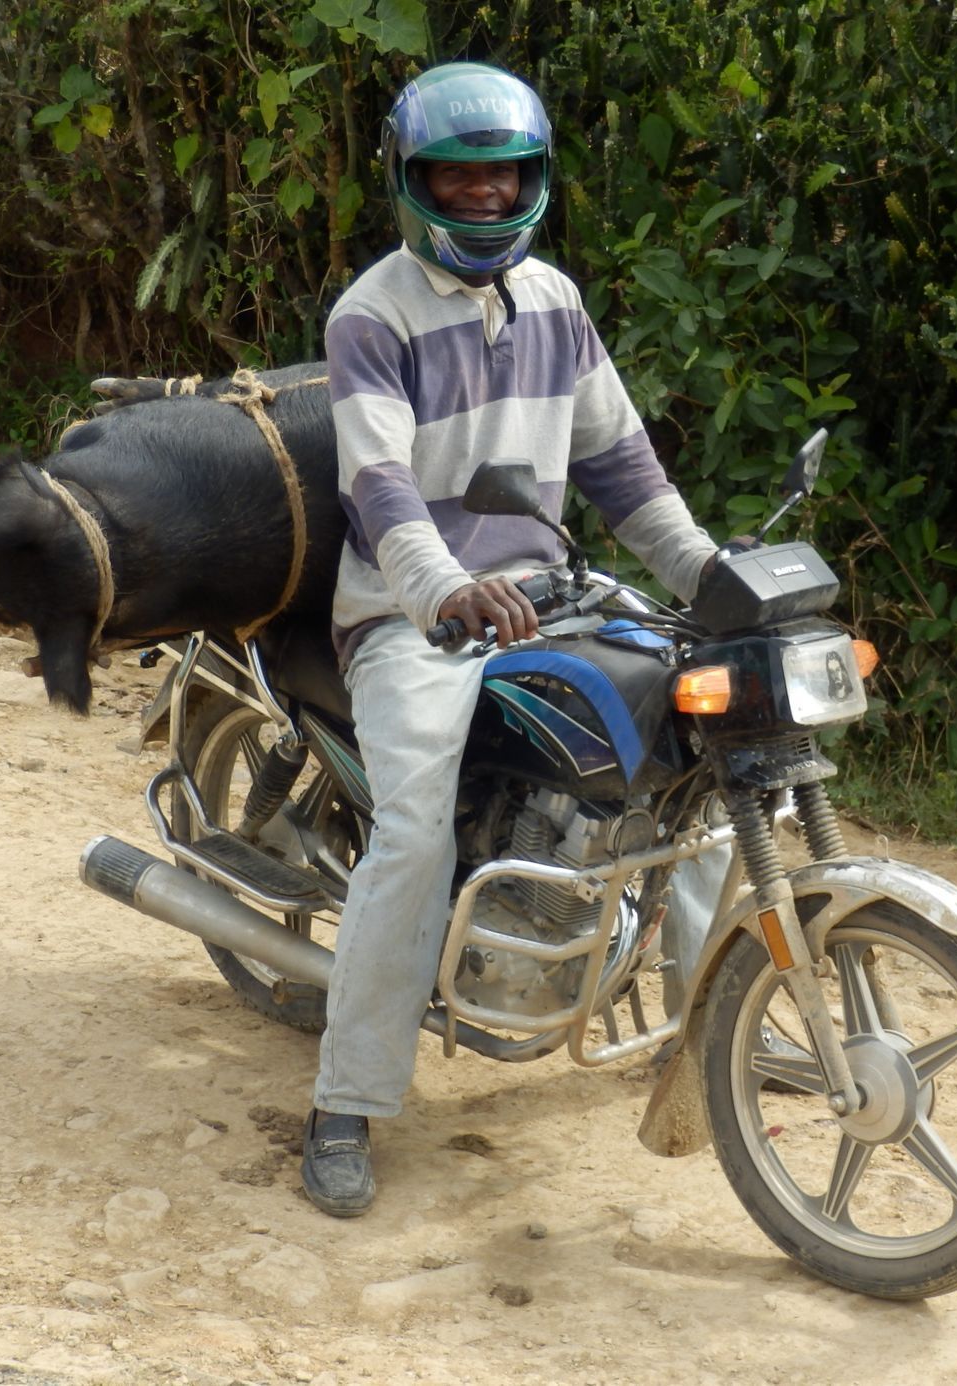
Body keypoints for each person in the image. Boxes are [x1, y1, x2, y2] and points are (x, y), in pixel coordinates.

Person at [306, 61, 730, 1216]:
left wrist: (713, 575)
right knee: (412, 832)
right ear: (410, 179)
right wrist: (442, 590)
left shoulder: (554, 302)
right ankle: (347, 1101)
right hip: (408, 613)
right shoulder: (372, 316)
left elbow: (624, 471)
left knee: (716, 750)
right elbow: (381, 486)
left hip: (548, 589)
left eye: (506, 174)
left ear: (534, 180)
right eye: (459, 172)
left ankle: (712, 1035)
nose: (485, 194)